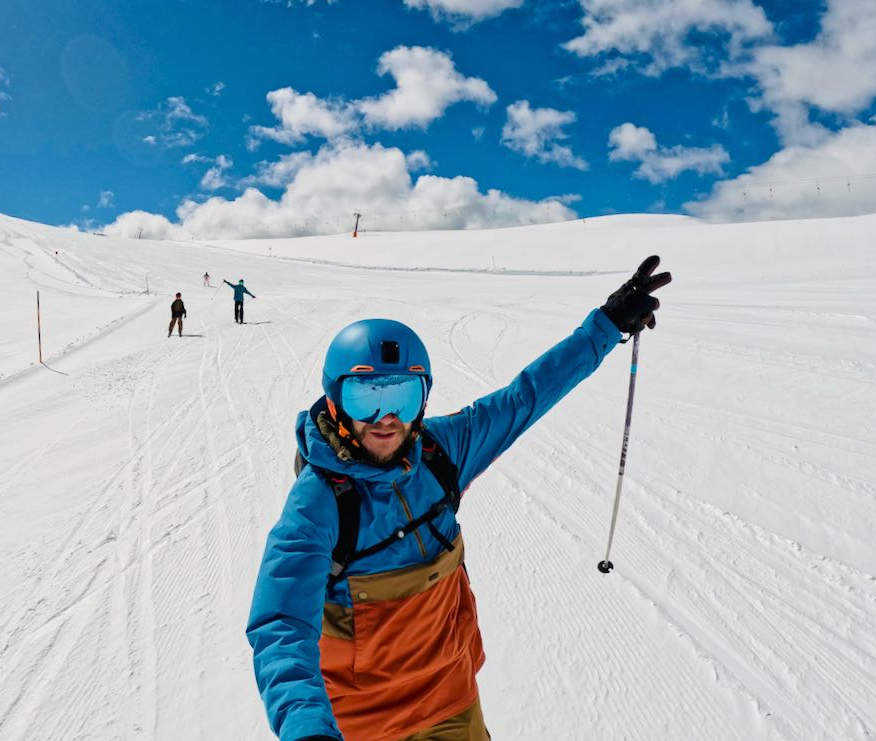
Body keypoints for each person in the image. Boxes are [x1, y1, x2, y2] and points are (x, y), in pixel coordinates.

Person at [247, 257, 671, 741]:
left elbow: (524, 397)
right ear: (337, 401)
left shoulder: (439, 453)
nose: (386, 418)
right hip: (362, 724)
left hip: (450, 702)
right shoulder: (318, 504)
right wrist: (307, 729)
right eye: (367, 396)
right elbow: (281, 627)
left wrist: (607, 325)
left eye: (403, 397)